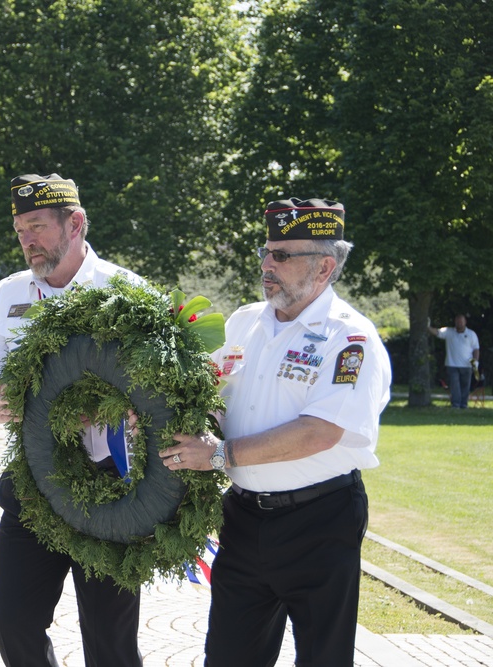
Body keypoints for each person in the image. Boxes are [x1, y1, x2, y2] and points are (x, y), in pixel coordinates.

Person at [158, 198, 391, 666]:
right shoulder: (244, 323)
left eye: (282, 256)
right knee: (228, 656)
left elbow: (320, 432)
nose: (267, 265)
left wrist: (221, 455)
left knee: (323, 658)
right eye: (265, 252)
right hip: (243, 519)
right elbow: (214, 403)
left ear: (325, 267)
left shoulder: (349, 339)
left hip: (320, 520)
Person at [0, 173, 144, 667]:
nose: (27, 240)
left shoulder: (125, 291)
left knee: (110, 639)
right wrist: (2, 405)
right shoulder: (10, 292)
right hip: (32, 482)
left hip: (111, 488)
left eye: (38, 226)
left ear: (76, 222)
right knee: (11, 621)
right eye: (21, 230)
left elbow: (157, 394)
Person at [428, 314, 480, 408]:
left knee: (465, 386)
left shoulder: (471, 334)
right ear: (455, 322)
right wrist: (427, 327)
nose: (459, 323)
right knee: (454, 386)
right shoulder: (449, 332)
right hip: (452, 365)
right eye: (457, 321)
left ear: (465, 322)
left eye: (461, 321)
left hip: (467, 365)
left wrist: (475, 361)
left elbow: (476, 349)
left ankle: (463, 404)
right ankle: (455, 405)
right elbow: (436, 332)